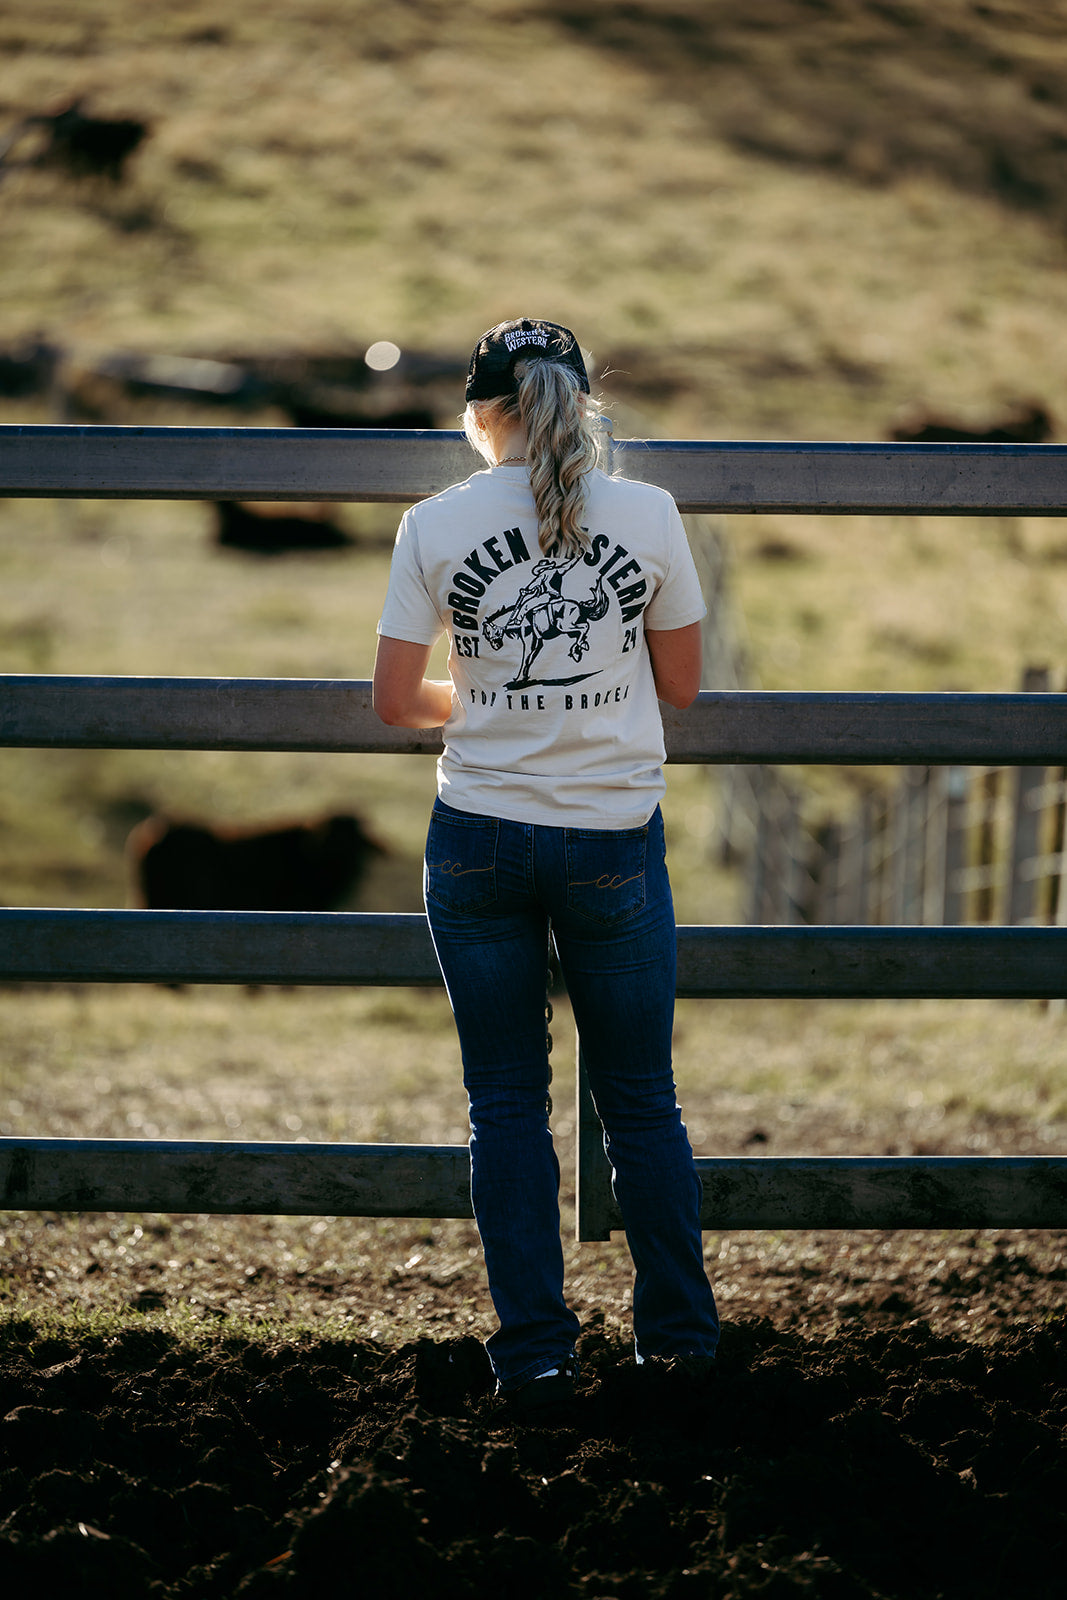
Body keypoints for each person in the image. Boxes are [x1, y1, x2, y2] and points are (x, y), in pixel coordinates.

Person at [373, 317, 719, 1411]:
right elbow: (683, 684)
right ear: (582, 406)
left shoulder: (433, 523)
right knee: (640, 1099)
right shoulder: (650, 515)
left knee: (506, 1105)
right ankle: (676, 1344)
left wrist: (480, 698)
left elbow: (392, 701)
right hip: (612, 842)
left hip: (476, 839)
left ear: (481, 416)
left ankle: (532, 1357)